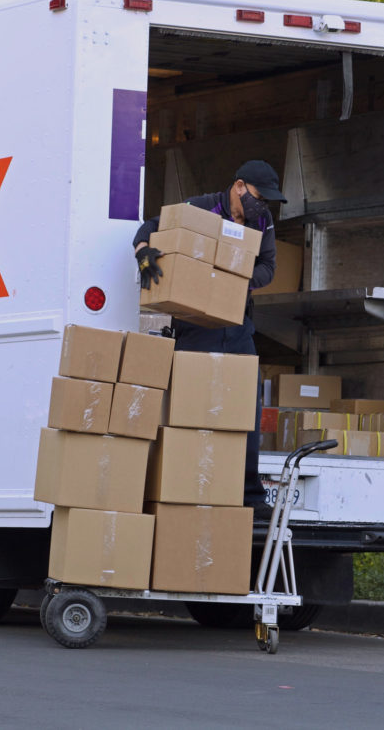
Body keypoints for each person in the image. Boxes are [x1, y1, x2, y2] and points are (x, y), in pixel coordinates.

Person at [133, 159, 287, 521]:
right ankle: (182, 485)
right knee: (191, 409)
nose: (261, 204)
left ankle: (250, 495)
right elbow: (153, 226)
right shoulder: (201, 208)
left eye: (266, 200)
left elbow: (268, 268)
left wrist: (232, 273)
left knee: (245, 412)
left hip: (237, 325)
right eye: (257, 196)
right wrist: (143, 251)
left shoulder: (262, 223)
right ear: (238, 186)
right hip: (194, 325)